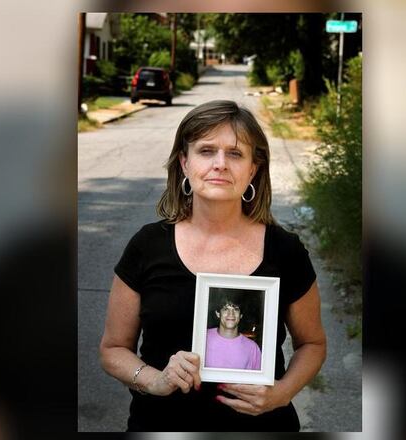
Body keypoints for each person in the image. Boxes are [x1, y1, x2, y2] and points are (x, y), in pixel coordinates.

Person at [98, 99, 326, 432]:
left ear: (253, 169)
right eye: (206, 151)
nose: (220, 164)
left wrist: (282, 393)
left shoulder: (285, 250)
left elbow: (313, 344)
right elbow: (113, 349)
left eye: (235, 153)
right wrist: (154, 380)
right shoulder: (147, 246)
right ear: (184, 162)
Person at [205, 299, 262, 370]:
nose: (231, 314)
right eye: (226, 309)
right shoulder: (203, 337)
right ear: (218, 313)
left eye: (236, 309)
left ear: (241, 315)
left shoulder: (252, 348)